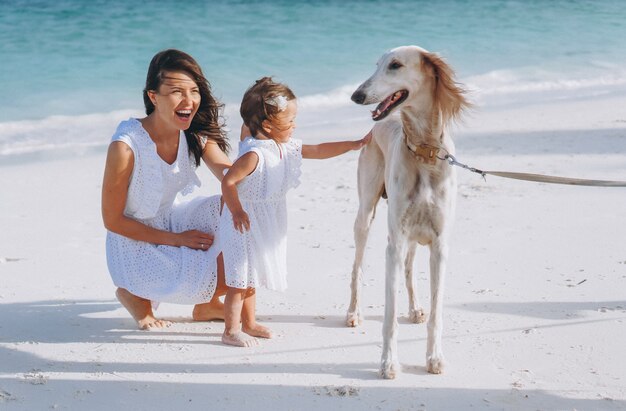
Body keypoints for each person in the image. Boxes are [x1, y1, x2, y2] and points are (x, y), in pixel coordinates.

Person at [218, 77, 371, 347]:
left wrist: (353, 144)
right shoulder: (254, 155)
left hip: (263, 222)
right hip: (243, 222)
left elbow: (318, 150)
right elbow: (228, 180)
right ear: (267, 126)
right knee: (239, 280)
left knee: (250, 277)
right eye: (290, 121)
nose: (294, 125)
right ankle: (231, 330)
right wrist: (237, 210)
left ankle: (250, 323)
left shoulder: (284, 146)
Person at [101, 49, 232, 330]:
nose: (189, 101)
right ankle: (134, 293)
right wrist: (178, 240)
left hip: (170, 220)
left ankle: (207, 304)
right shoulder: (126, 146)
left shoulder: (194, 134)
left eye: (194, 91)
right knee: (224, 273)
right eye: (176, 92)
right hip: (132, 242)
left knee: (236, 207)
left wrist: (263, 153)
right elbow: (112, 221)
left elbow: (229, 174)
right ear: (153, 97)